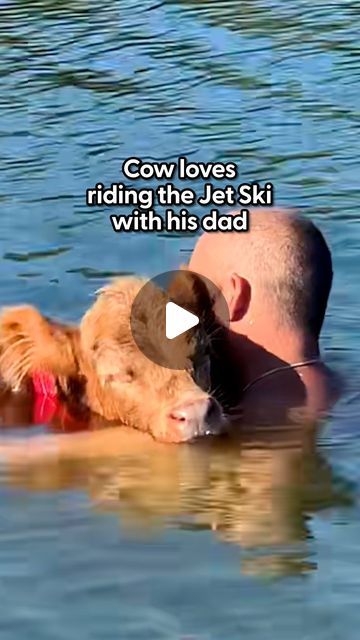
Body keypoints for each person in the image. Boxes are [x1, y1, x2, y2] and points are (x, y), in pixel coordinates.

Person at [189, 208, 338, 425]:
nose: (192, 312)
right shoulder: (342, 390)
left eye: (198, 296)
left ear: (234, 296)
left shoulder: (242, 423)